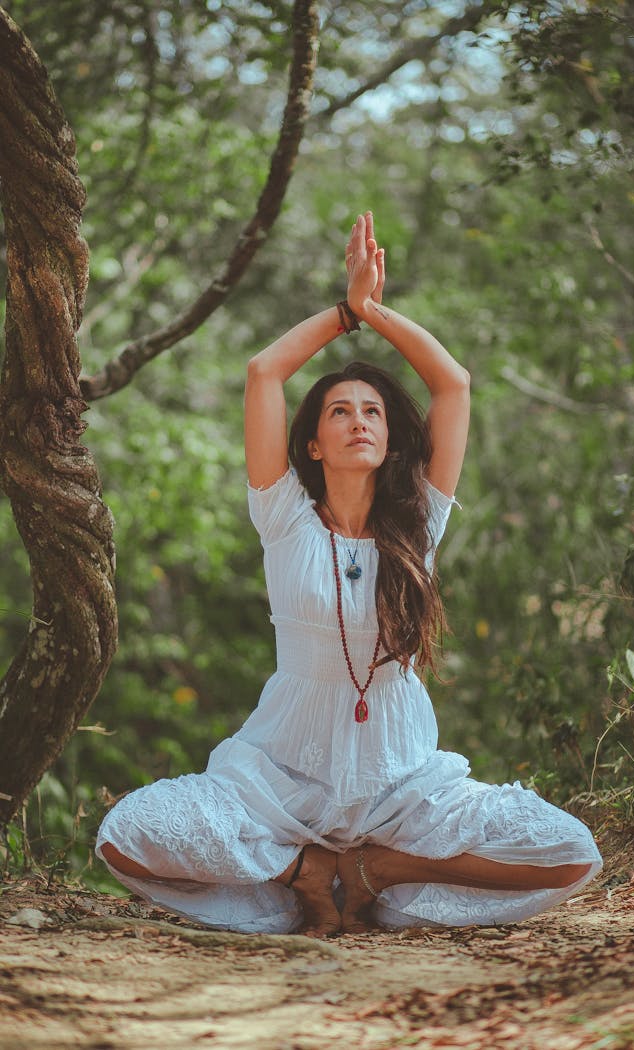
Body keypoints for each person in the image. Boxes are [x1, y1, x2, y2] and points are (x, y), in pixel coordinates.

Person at [97, 212, 602, 936]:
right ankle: (301, 872)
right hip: (280, 779)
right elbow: (264, 371)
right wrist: (341, 315)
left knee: (568, 853)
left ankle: (378, 871)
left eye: (372, 410)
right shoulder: (285, 517)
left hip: (400, 784)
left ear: (392, 436)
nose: (359, 419)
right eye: (340, 411)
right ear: (313, 440)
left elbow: (453, 385)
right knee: (127, 834)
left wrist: (376, 312)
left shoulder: (418, 522)